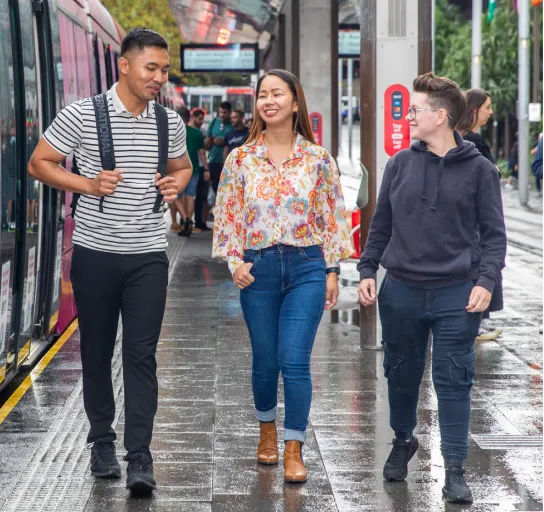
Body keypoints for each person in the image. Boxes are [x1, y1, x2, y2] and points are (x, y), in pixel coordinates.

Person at [28, 28, 192, 493]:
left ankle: (140, 454)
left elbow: (182, 166)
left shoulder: (169, 122)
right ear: (125, 65)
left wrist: (176, 183)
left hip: (147, 258)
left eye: (164, 70)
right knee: (97, 353)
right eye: (151, 68)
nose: (159, 77)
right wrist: (86, 184)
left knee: (141, 355)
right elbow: (39, 162)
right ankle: (101, 440)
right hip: (95, 256)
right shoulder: (82, 114)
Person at [357, 73, 506, 505]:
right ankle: (404, 439)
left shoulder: (480, 171)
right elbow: (380, 224)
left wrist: (485, 281)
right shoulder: (399, 164)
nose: (408, 116)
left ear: (440, 117)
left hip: (456, 294)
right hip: (401, 289)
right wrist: (368, 269)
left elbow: (494, 236)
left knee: (453, 380)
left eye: (416, 109)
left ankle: (455, 469)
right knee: (401, 375)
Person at [212, 69, 352, 484]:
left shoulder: (317, 159)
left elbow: (332, 217)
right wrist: (235, 262)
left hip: (307, 265)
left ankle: (294, 447)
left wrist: (331, 270)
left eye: (277, 94)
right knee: (265, 360)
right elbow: (227, 215)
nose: (268, 100)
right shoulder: (240, 158)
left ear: (295, 102)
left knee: (295, 360)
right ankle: (266, 431)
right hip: (259, 269)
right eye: (262, 95)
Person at [455, 89, 503, 342]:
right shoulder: (475, 142)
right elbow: (491, 174)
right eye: (487, 106)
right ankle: (478, 319)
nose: (490, 112)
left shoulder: (458, 139)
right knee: (483, 259)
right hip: (475, 221)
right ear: (474, 109)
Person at [197, 101, 232, 230]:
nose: (222, 115)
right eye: (221, 112)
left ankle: (225, 223)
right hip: (213, 160)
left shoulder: (232, 124)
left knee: (225, 194)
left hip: (227, 164)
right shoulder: (214, 122)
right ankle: (203, 222)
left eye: (225, 113)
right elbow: (207, 142)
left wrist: (224, 142)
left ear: (229, 112)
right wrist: (212, 140)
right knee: (209, 193)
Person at [175, 106, 206, 237]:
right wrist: (207, 169)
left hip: (178, 169)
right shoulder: (197, 133)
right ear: (189, 118)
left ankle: (185, 219)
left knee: (175, 196)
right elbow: (202, 154)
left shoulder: (174, 132)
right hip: (194, 169)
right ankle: (189, 220)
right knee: (190, 196)